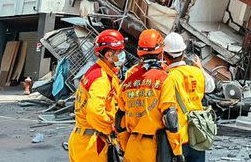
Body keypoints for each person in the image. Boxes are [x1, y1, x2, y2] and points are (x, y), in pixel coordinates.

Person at [116, 29, 175, 162]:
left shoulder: (128, 81)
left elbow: (120, 120)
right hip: (154, 147)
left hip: (131, 145)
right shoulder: (164, 78)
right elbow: (170, 117)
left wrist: (125, 147)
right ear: (161, 52)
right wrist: (177, 151)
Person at [68, 29, 125, 162]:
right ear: (109, 55)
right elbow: (95, 112)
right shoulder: (101, 79)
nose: (122, 55)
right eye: (120, 52)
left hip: (84, 140)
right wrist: (112, 128)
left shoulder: (96, 72)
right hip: (92, 145)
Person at [161, 32, 215, 162]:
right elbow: (211, 86)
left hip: (178, 137)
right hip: (197, 132)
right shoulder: (196, 72)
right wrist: (201, 68)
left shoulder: (167, 77)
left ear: (164, 55)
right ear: (183, 53)